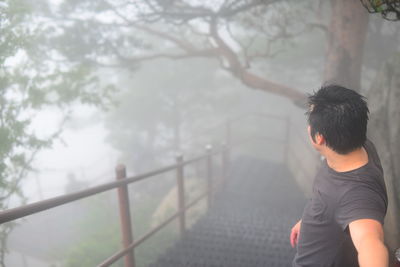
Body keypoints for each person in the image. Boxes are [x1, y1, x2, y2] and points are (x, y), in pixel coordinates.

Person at [291, 85, 389, 267]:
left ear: (319, 138)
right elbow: (330, 200)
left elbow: (370, 243)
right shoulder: (358, 144)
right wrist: (308, 221)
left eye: (310, 122)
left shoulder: (357, 195)